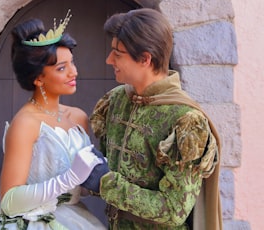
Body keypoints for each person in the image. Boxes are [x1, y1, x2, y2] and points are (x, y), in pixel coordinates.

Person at [0, 11, 107, 230]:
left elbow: (80, 187)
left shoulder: (78, 117)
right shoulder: (25, 124)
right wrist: (67, 179)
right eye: (62, 68)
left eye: (72, 62)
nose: (73, 72)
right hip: (32, 221)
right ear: (38, 78)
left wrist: (96, 179)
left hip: (77, 219)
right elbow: (10, 201)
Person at [82, 8, 223, 230]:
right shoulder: (116, 100)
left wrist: (105, 183)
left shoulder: (186, 121)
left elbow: (173, 210)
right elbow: (108, 168)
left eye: (117, 54)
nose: (109, 60)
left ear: (145, 58)